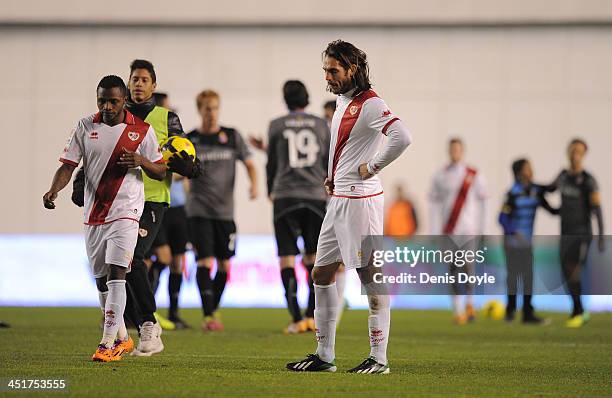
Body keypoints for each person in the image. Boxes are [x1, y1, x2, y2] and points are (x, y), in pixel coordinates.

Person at [287, 39, 411, 373]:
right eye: (326, 70)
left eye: (334, 70)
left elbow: (402, 137)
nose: (327, 76)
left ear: (352, 69)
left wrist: (372, 167)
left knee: (370, 277)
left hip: (361, 200)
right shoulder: (343, 101)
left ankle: (379, 358)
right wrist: (331, 177)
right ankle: (324, 355)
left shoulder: (371, 103)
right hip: (339, 197)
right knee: (321, 272)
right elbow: (340, 146)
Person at [43, 75, 166, 361]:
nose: (108, 106)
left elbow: (160, 170)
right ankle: (122, 337)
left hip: (126, 213)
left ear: (124, 100)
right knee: (101, 281)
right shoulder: (86, 126)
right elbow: (68, 166)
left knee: (116, 275)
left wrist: (142, 162)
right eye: (102, 100)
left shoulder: (142, 130)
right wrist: (53, 191)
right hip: (95, 214)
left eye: (113, 100)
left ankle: (107, 343)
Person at [125, 60, 199, 354]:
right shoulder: (119, 114)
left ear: (153, 85)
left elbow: (186, 151)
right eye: (135, 79)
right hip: (120, 198)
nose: (139, 84)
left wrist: (192, 167)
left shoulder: (168, 118)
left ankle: (148, 322)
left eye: (144, 79)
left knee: (133, 257)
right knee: (115, 264)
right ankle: (119, 328)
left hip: (154, 198)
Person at [186, 89, 258, 331]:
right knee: (204, 261)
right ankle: (208, 316)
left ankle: (212, 308)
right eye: (207, 108)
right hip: (199, 210)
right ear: (199, 110)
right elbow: (179, 170)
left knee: (225, 266)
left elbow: (249, 163)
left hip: (225, 212)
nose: (211, 113)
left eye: (215, 108)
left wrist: (254, 184)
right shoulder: (190, 140)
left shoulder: (232, 136)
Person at [266, 80, 330, 334]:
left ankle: (295, 319)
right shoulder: (321, 124)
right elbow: (328, 161)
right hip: (315, 196)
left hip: (286, 196)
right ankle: (311, 317)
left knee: (286, 257)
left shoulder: (276, 125)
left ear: (285, 99)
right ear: (307, 98)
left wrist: (271, 188)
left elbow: (271, 162)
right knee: (315, 257)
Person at [429, 138, 487, 325]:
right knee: (453, 270)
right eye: (452, 149)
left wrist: (483, 228)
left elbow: (484, 201)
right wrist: (434, 230)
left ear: (463, 151)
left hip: (468, 229)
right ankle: (458, 309)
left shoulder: (474, 174)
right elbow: (433, 204)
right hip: (449, 229)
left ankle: (470, 303)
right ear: (449, 151)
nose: (455, 152)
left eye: (458, 149)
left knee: (469, 268)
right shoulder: (440, 175)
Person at [548, 138, 605, 328]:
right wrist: (532, 189)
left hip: (582, 232)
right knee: (565, 271)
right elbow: (549, 190)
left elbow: (597, 208)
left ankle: (579, 311)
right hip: (565, 231)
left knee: (574, 271)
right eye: (572, 150)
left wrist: (601, 234)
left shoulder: (588, 180)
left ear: (583, 155)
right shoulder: (563, 176)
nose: (575, 154)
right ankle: (577, 309)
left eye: (579, 151)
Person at [498, 159, 556, 325]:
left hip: (526, 244)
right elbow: (502, 218)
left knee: (527, 278)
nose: (531, 171)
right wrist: (513, 232)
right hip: (512, 243)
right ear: (519, 173)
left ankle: (527, 313)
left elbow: (552, 208)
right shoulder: (512, 193)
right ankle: (510, 311)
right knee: (513, 277)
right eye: (528, 169)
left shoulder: (535, 191)